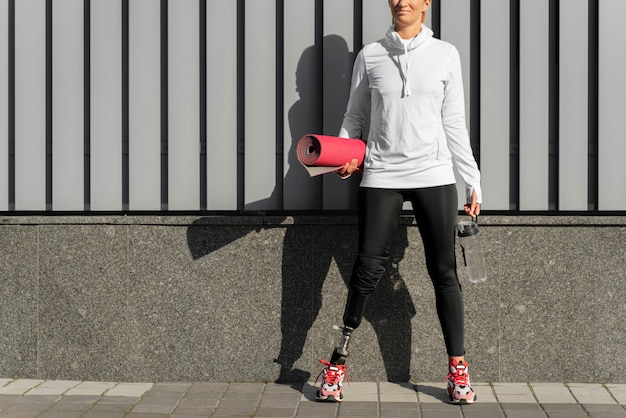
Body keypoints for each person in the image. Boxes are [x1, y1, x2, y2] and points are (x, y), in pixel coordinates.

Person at [314, 0, 481, 405]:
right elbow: (355, 116)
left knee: (443, 270)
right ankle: (338, 364)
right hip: (382, 173)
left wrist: (472, 179)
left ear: (426, 3)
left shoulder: (445, 54)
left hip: (435, 174)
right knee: (367, 267)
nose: (401, 1)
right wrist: (342, 155)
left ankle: (458, 370)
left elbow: (454, 120)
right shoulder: (370, 55)